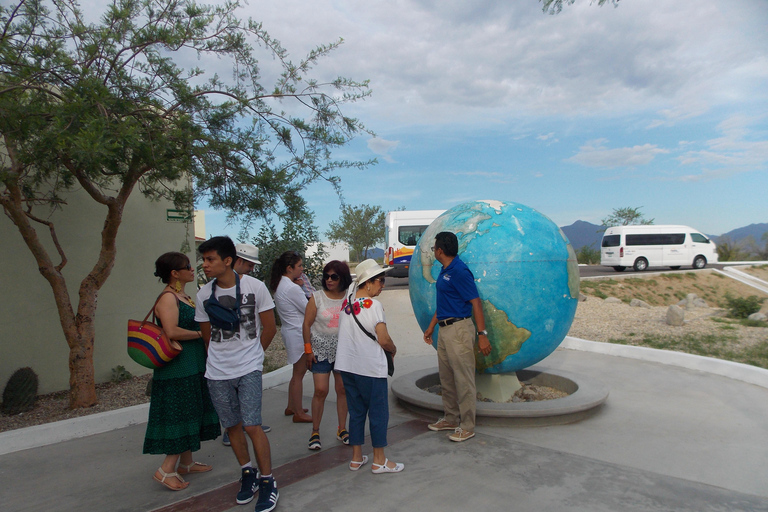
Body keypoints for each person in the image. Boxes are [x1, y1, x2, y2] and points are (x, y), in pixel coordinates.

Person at [195, 236, 279, 511]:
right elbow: (207, 338)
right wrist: (220, 361)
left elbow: (269, 327)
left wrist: (255, 356)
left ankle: (267, 481)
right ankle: (248, 473)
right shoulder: (203, 295)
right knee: (231, 426)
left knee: (252, 425)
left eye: (210, 260)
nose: (205, 265)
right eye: (204, 260)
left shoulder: (255, 288)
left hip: (249, 368)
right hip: (217, 371)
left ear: (227, 260)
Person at [144, 252, 220, 491]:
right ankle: (166, 469)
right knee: (181, 413)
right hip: (178, 368)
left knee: (191, 411)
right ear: (174, 273)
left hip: (191, 364)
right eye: (187, 266)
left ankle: (186, 463)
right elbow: (172, 332)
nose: (192, 269)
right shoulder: (168, 297)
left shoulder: (183, 295)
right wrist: (200, 334)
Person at [335, 259, 404, 474]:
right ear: (367, 283)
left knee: (356, 413)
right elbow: (383, 339)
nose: (383, 285)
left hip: (347, 367)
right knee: (378, 413)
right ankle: (379, 460)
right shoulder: (374, 306)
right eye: (380, 281)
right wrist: (393, 349)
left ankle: (356, 458)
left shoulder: (347, 305)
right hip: (370, 369)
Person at [422, 231, 492, 442]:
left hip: (459, 329)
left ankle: (467, 425)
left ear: (440, 250)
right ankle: (451, 418)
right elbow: (444, 303)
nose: (433, 251)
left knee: (463, 379)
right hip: (444, 330)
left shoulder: (460, 271)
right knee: (447, 377)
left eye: (434, 248)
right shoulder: (444, 271)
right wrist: (431, 326)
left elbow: (475, 303)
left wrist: (482, 335)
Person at [220, 243, 271, 444]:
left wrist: (256, 352)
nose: (251, 269)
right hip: (224, 357)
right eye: (249, 265)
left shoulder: (256, 286)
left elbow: (269, 327)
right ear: (237, 260)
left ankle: (251, 426)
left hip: (248, 358)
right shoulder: (214, 287)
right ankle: (231, 431)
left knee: (248, 397)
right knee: (231, 398)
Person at [302, 261, 352, 450]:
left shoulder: (350, 297)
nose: (329, 280)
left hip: (343, 350)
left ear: (343, 278)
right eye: (326, 276)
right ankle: (315, 431)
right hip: (320, 350)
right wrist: (308, 350)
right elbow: (306, 324)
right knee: (320, 390)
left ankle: (342, 428)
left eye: (334, 277)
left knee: (342, 390)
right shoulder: (317, 298)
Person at [270, 251, 312, 423]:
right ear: (289, 268)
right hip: (297, 333)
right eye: (299, 265)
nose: (302, 269)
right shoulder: (292, 288)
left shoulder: (281, 284)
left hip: (290, 331)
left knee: (296, 372)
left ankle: (292, 406)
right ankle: (298, 413)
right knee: (299, 374)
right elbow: (309, 309)